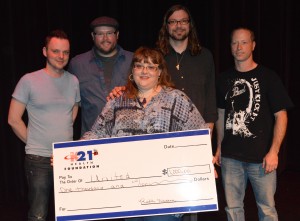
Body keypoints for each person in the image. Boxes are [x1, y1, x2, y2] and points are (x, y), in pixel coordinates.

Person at [82, 46, 207, 221]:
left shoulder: (177, 99)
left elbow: (199, 133)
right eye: (139, 66)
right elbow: (96, 133)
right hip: (128, 194)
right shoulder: (117, 101)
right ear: (132, 71)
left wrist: (204, 163)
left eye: (151, 66)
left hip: (165, 196)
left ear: (160, 72)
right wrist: (68, 156)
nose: (144, 71)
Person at [214, 27, 294, 221]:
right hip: (231, 158)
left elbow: (281, 116)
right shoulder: (223, 78)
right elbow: (221, 115)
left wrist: (274, 152)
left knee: (267, 210)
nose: (239, 47)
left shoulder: (268, 77)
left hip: (262, 159)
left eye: (244, 42)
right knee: (233, 209)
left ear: (253, 45)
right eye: (234, 42)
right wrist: (218, 148)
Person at [7, 30, 80, 221]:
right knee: (38, 214)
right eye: (56, 51)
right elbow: (13, 119)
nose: (61, 56)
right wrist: (36, 142)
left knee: (69, 213)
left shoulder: (73, 81)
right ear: (45, 51)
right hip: (38, 159)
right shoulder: (29, 80)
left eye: (65, 52)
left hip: (66, 158)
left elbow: (73, 110)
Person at [68, 16, 133, 136]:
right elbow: (69, 102)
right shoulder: (77, 64)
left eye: (109, 33)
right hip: (92, 139)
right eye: (100, 34)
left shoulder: (134, 61)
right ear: (93, 36)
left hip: (127, 137)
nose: (105, 38)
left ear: (117, 35)